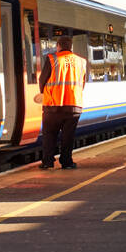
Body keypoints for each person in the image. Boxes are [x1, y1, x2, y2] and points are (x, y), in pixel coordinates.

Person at [39, 33, 88, 169]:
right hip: (73, 105)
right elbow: (83, 83)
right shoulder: (81, 61)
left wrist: (44, 92)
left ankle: (48, 162)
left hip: (53, 105)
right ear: (71, 47)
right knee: (68, 137)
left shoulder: (52, 59)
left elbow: (42, 79)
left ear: (58, 46)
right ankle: (67, 162)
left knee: (49, 135)